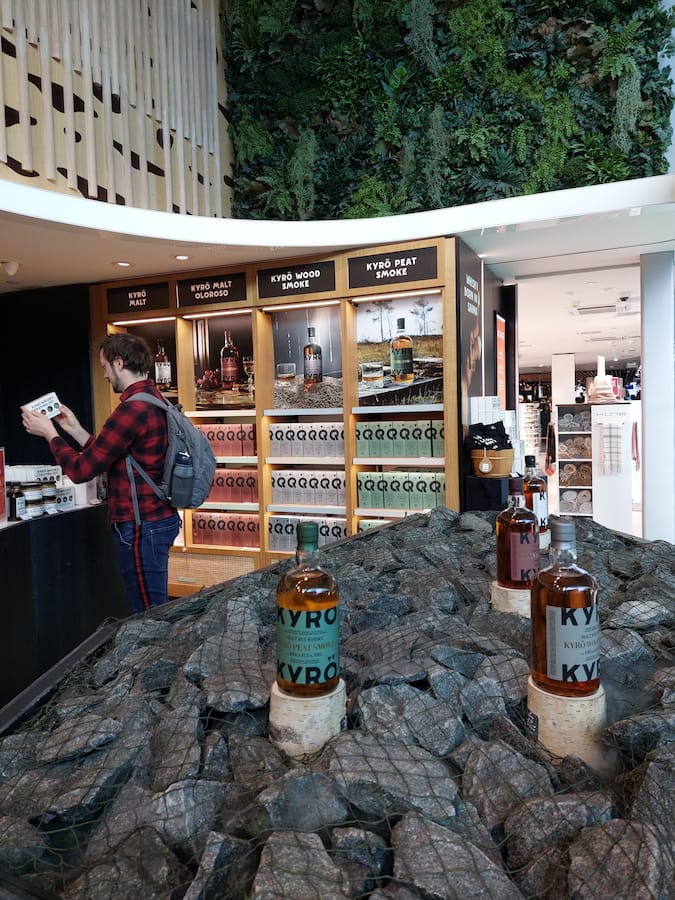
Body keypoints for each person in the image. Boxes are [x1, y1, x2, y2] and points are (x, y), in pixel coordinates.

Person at [21, 333, 181, 614]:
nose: (105, 375)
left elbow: (81, 470)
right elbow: (116, 457)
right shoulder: (154, 399)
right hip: (157, 520)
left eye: (105, 366)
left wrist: (50, 434)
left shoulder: (131, 410)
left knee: (149, 615)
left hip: (141, 526)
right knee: (152, 608)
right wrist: (74, 429)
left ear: (119, 363)